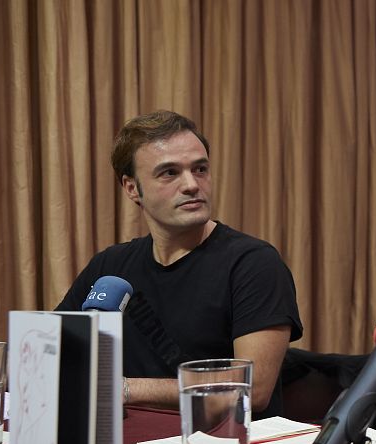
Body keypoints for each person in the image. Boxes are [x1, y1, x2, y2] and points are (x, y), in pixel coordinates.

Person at [56, 110, 302, 418]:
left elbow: (252, 388)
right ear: (132, 188)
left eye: (200, 169)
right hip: (125, 443)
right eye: (169, 173)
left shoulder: (253, 264)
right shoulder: (110, 266)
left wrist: (125, 389)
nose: (191, 185)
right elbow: (50, 351)